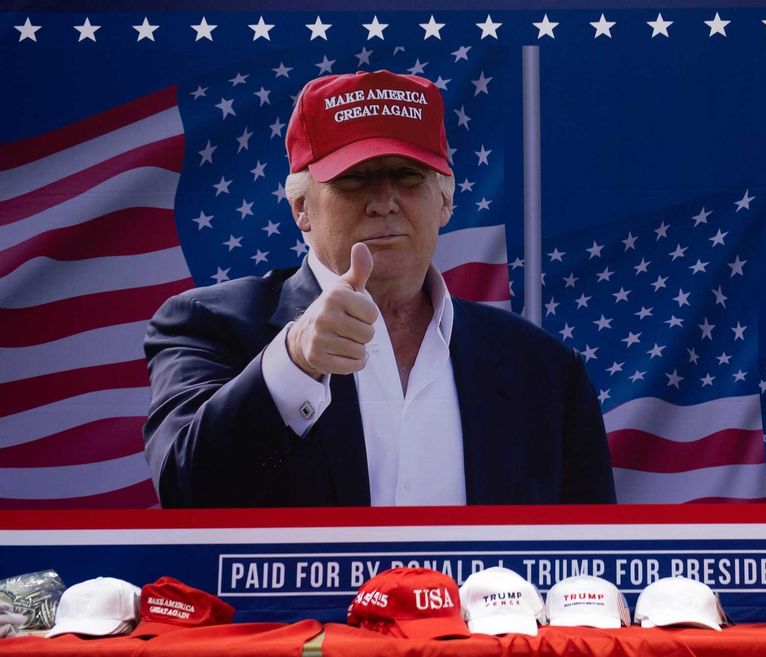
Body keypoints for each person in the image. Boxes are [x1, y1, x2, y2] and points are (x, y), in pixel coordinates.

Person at [143, 70, 616, 508]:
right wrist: (294, 362)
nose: (384, 202)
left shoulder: (545, 369)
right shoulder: (208, 324)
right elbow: (186, 491)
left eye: (408, 176)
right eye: (353, 180)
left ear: (446, 200)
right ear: (301, 209)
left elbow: (588, 568)